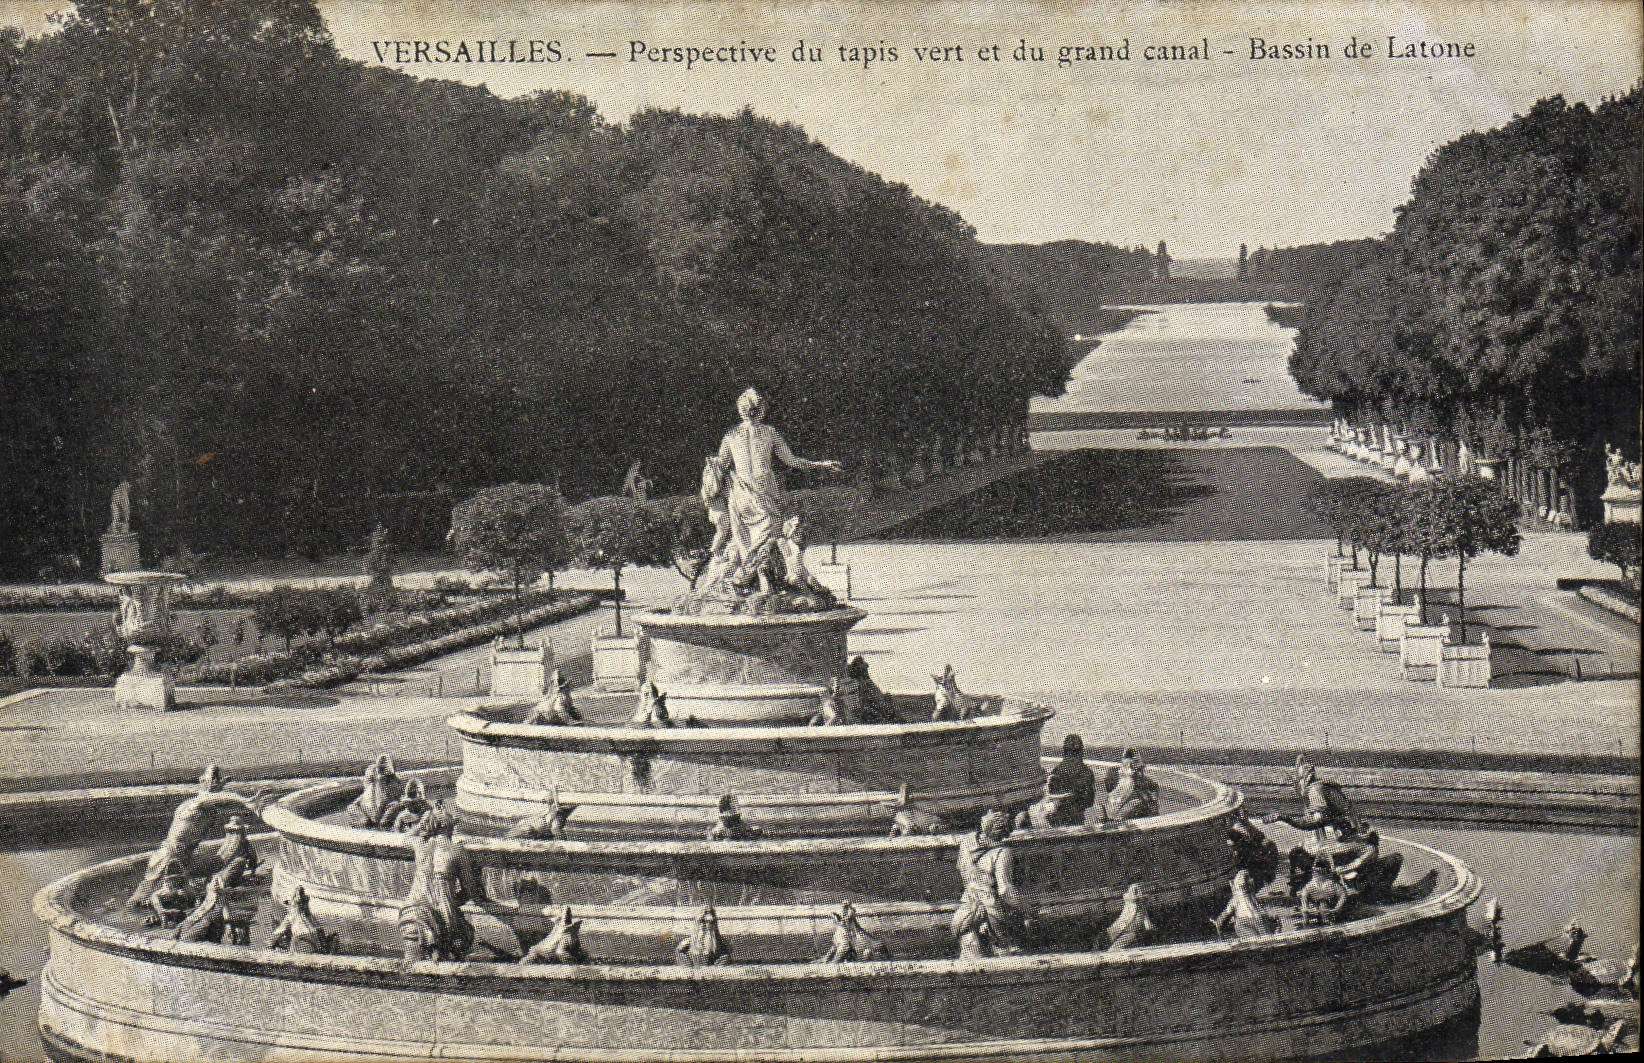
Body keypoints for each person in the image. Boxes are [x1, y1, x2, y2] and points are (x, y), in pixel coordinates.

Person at [715, 388, 840, 574]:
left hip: (741, 497)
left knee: (748, 542)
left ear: (741, 411)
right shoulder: (769, 432)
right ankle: (764, 579)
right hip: (764, 493)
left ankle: (753, 578)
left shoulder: (730, 435)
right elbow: (792, 461)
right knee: (772, 537)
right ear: (762, 410)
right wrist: (821, 465)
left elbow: (720, 467)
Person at [128, 765, 262, 907]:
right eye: (213, 777)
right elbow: (217, 799)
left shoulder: (209, 804)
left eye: (218, 778)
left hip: (183, 858)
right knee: (141, 899)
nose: (215, 781)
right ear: (201, 780)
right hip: (170, 859)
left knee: (219, 865)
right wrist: (247, 801)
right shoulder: (195, 803)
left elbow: (219, 800)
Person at [398, 803, 482, 962]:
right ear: (450, 826)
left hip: (411, 912)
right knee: (462, 941)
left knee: (410, 966)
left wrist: (422, 824)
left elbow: (405, 837)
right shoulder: (457, 851)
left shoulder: (419, 845)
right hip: (443, 918)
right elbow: (471, 892)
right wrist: (450, 897)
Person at [952, 809, 1033, 958]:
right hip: (993, 915)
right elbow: (1005, 890)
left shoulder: (967, 843)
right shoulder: (1002, 853)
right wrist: (1028, 910)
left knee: (971, 960)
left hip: (966, 911)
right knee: (1008, 962)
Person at [1045, 734, 1097, 825]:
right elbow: (1089, 802)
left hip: (1057, 819)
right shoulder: (1087, 772)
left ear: (1064, 751)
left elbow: (1050, 798)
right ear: (1081, 751)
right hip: (1077, 819)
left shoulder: (1056, 771)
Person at [1213, 870, 1276, 941]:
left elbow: (1223, 918)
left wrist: (1218, 924)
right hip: (1261, 918)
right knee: (1267, 938)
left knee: (1252, 937)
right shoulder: (1253, 898)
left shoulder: (1235, 900)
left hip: (1245, 921)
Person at [1102, 884, 1155, 950]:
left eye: (1139, 890)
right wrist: (1141, 895)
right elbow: (1133, 898)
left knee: (1115, 948)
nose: (1138, 891)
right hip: (1118, 928)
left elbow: (1147, 922)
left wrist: (1148, 925)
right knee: (1105, 943)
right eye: (1136, 890)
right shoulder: (1128, 898)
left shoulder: (1142, 906)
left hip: (1130, 931)